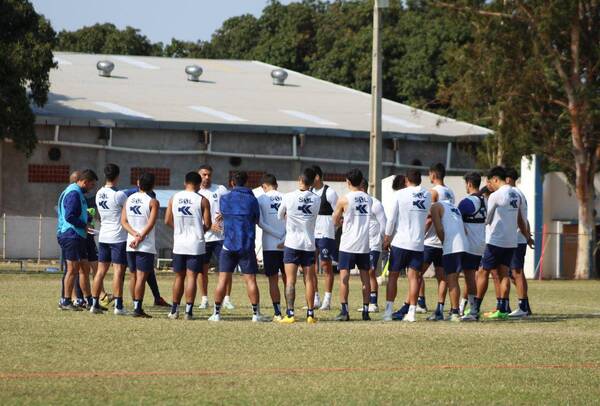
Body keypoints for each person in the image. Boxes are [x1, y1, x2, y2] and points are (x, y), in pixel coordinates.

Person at [467, 166, 531, 321]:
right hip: (511, 242)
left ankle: (474, 311)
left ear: (496, 179)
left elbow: (487, 219)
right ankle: (503, 307)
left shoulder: (496, 195)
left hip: (496, 241)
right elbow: (520, 220)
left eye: (491, 182)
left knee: (483, 272)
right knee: (503, 274)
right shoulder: (517, 194)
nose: (490, 185)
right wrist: (528, 237)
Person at [208, 171, 270, 322]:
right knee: (250, 280)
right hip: (246, 245)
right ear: (246, 182)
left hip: (228, 244)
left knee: (222, 279)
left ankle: (216, 314)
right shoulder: (252, 200)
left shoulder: (225, 198)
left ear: (232, 183)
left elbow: (223, 213)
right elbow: (256, 219)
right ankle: (255, 314)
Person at [382, 169, 432, 322]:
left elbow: (391, 219)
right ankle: (411, 313)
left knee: (393, 277)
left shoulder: (399, 194)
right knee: (414, 278)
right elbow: (427, 216)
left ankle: (388, 312)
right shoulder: (427, 194)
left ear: (405, 180)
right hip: (417, 243)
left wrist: (387, 238)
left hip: (400, 242)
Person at [165, 172, 212, 320]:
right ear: (199, 185)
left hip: (179, 243)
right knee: (191, 277)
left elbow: (167, 220)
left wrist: (179, 229)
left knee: (179, 277)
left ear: (185, 183)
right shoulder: (202, 200)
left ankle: (174, 310)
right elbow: (208, 224)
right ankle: (188, 312)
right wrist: (199, 230)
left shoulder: (174, 198)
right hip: (195, 244)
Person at [277, 167, 321, 324]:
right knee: (309, 280)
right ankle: (310, 314)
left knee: (290, 280)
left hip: (292, 243)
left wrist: (289, 217)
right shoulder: (317, 199)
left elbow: (279, 214)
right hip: (309, 243)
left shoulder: (289, 197)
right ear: (312, 182)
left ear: (300, 180)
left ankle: (290, 314)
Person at [332, 169, 373, 321]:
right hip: (364, 244)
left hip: (348, 244)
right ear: (362, 181)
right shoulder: (369, 199)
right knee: (365, 279)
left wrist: (341, 221)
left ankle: (344, 311)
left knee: (344, 278)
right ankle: (366, 311)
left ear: (348, 182)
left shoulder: (344, 199)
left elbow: (335, 220)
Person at [57, 169, 98, 310]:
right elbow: (70, 216)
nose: (91, 188)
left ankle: (88, 301)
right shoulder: (74, 193)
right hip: (71, 235)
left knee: (84, 268)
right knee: (72, 269)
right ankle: (66, 301)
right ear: (85, 182)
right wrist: (84, 225)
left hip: (78, 235)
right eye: (91, 185)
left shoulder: (78, 193)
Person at [121, 173, 159, 318]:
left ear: (138, 183)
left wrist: (134, 234)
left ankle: (135, 304)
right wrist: (141, 237)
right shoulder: (152, 201)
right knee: (141, 278)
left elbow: (123, 221)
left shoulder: (129, 199)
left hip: (130, 243)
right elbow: (151, 223)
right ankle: (138, 308)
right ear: (153, 185)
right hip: (145, 245)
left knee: (133, 276)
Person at [197, 165, 234, 310]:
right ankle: (204, 299)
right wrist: (208, 225)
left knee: (226, 269)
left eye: (209, 175)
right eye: (204, 174)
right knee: (202, 270)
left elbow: (231, 205)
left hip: (221, 237)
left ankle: (227, 298)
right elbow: (194, 215)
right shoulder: (196, 192)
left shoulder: (220, 189)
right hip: (204, 237)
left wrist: (224, 213)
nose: (207, 177)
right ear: (198, 175)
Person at [423, 163, 456, 321]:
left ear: (433, 175)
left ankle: (410, 307)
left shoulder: (433, 192)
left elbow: (430, 217)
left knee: (414, 273)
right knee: (442, 276)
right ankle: (439, 308)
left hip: (431, 241)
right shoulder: (450, 192)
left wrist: (420, 234)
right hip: (444, 240)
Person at [430, 199, 468, 322]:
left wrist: (444, 242)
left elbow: (438, 228)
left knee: (451, 280)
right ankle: (455, 310)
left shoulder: (436, 206)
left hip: (452, 246)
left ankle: (455, 312)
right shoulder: (453, 207)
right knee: (454, 279)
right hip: (464, 245)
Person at [257, 173, 287, 321]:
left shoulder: (261, 199)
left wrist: (275, 234)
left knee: (273, 280)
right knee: (289, 279)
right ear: (276, 185)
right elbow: (292, 220)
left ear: (264, 186)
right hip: (287, 243)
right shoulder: (286, 197)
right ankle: (290, 311)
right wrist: (283, 236)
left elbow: (260, 222)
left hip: (269, 244)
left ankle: (277, 313)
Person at [457, 173, 487, 318]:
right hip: (480, 243)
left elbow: (456, 221)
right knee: (469, 277)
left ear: (469, 183)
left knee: (462, 277)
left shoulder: (467, 202)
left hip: (467, 244)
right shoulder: (485, 201)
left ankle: (469, 310)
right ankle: (465, 307)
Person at [505, 167, 534, 317]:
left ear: (508, 179)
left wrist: (526, 237)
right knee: (514, 274)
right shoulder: (519, 194)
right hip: (517, 238)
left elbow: (519, 219)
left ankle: (523, 307)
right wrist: (527, 236)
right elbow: (525, 219)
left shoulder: (514, 194)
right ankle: (525, 305)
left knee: (517, 272)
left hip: (516, 239)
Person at [355, 178, 386, 313]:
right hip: (361, 244)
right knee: (365, 273)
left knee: (371, 271)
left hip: (373, 244)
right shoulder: (356, 203)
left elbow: (383, 223)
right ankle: (367, 302)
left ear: (362, 188)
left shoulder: (375, 203)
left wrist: (382, 240)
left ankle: (373, 303)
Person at [310, 165, 338, 310]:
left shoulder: (330, 192)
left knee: (326, 266)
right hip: (311, 233)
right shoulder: (309, 192)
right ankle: (315, 298)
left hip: (326, 234)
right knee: (311, 267)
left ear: (317, 177)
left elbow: (338, 213)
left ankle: (327, 300)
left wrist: (333, 229)